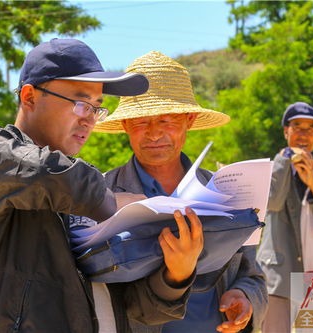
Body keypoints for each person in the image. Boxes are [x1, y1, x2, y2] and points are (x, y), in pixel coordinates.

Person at [0, 38, 203, 333]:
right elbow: (44, 172)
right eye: (81, 104)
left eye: (97, 108)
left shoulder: (76, 191)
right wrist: (112, 202)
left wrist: (177, 274)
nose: (90, 121)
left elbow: (134, 309)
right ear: (30, 97)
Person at [93, 51, 268, 333]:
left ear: (188, 120)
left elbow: (252, 274)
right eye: (141, 122)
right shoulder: (101, 195)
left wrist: (245, 297)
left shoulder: (227, 190)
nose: (154, 133)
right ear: (125, 125)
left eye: (167, 120)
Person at [256, 102, 313, 332]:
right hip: (277, 274)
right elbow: (273, 203)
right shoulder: (269, 169)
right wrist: (282, 163)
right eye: (297, 126)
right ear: (285, 131)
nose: (303, 134)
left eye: (311, 128)